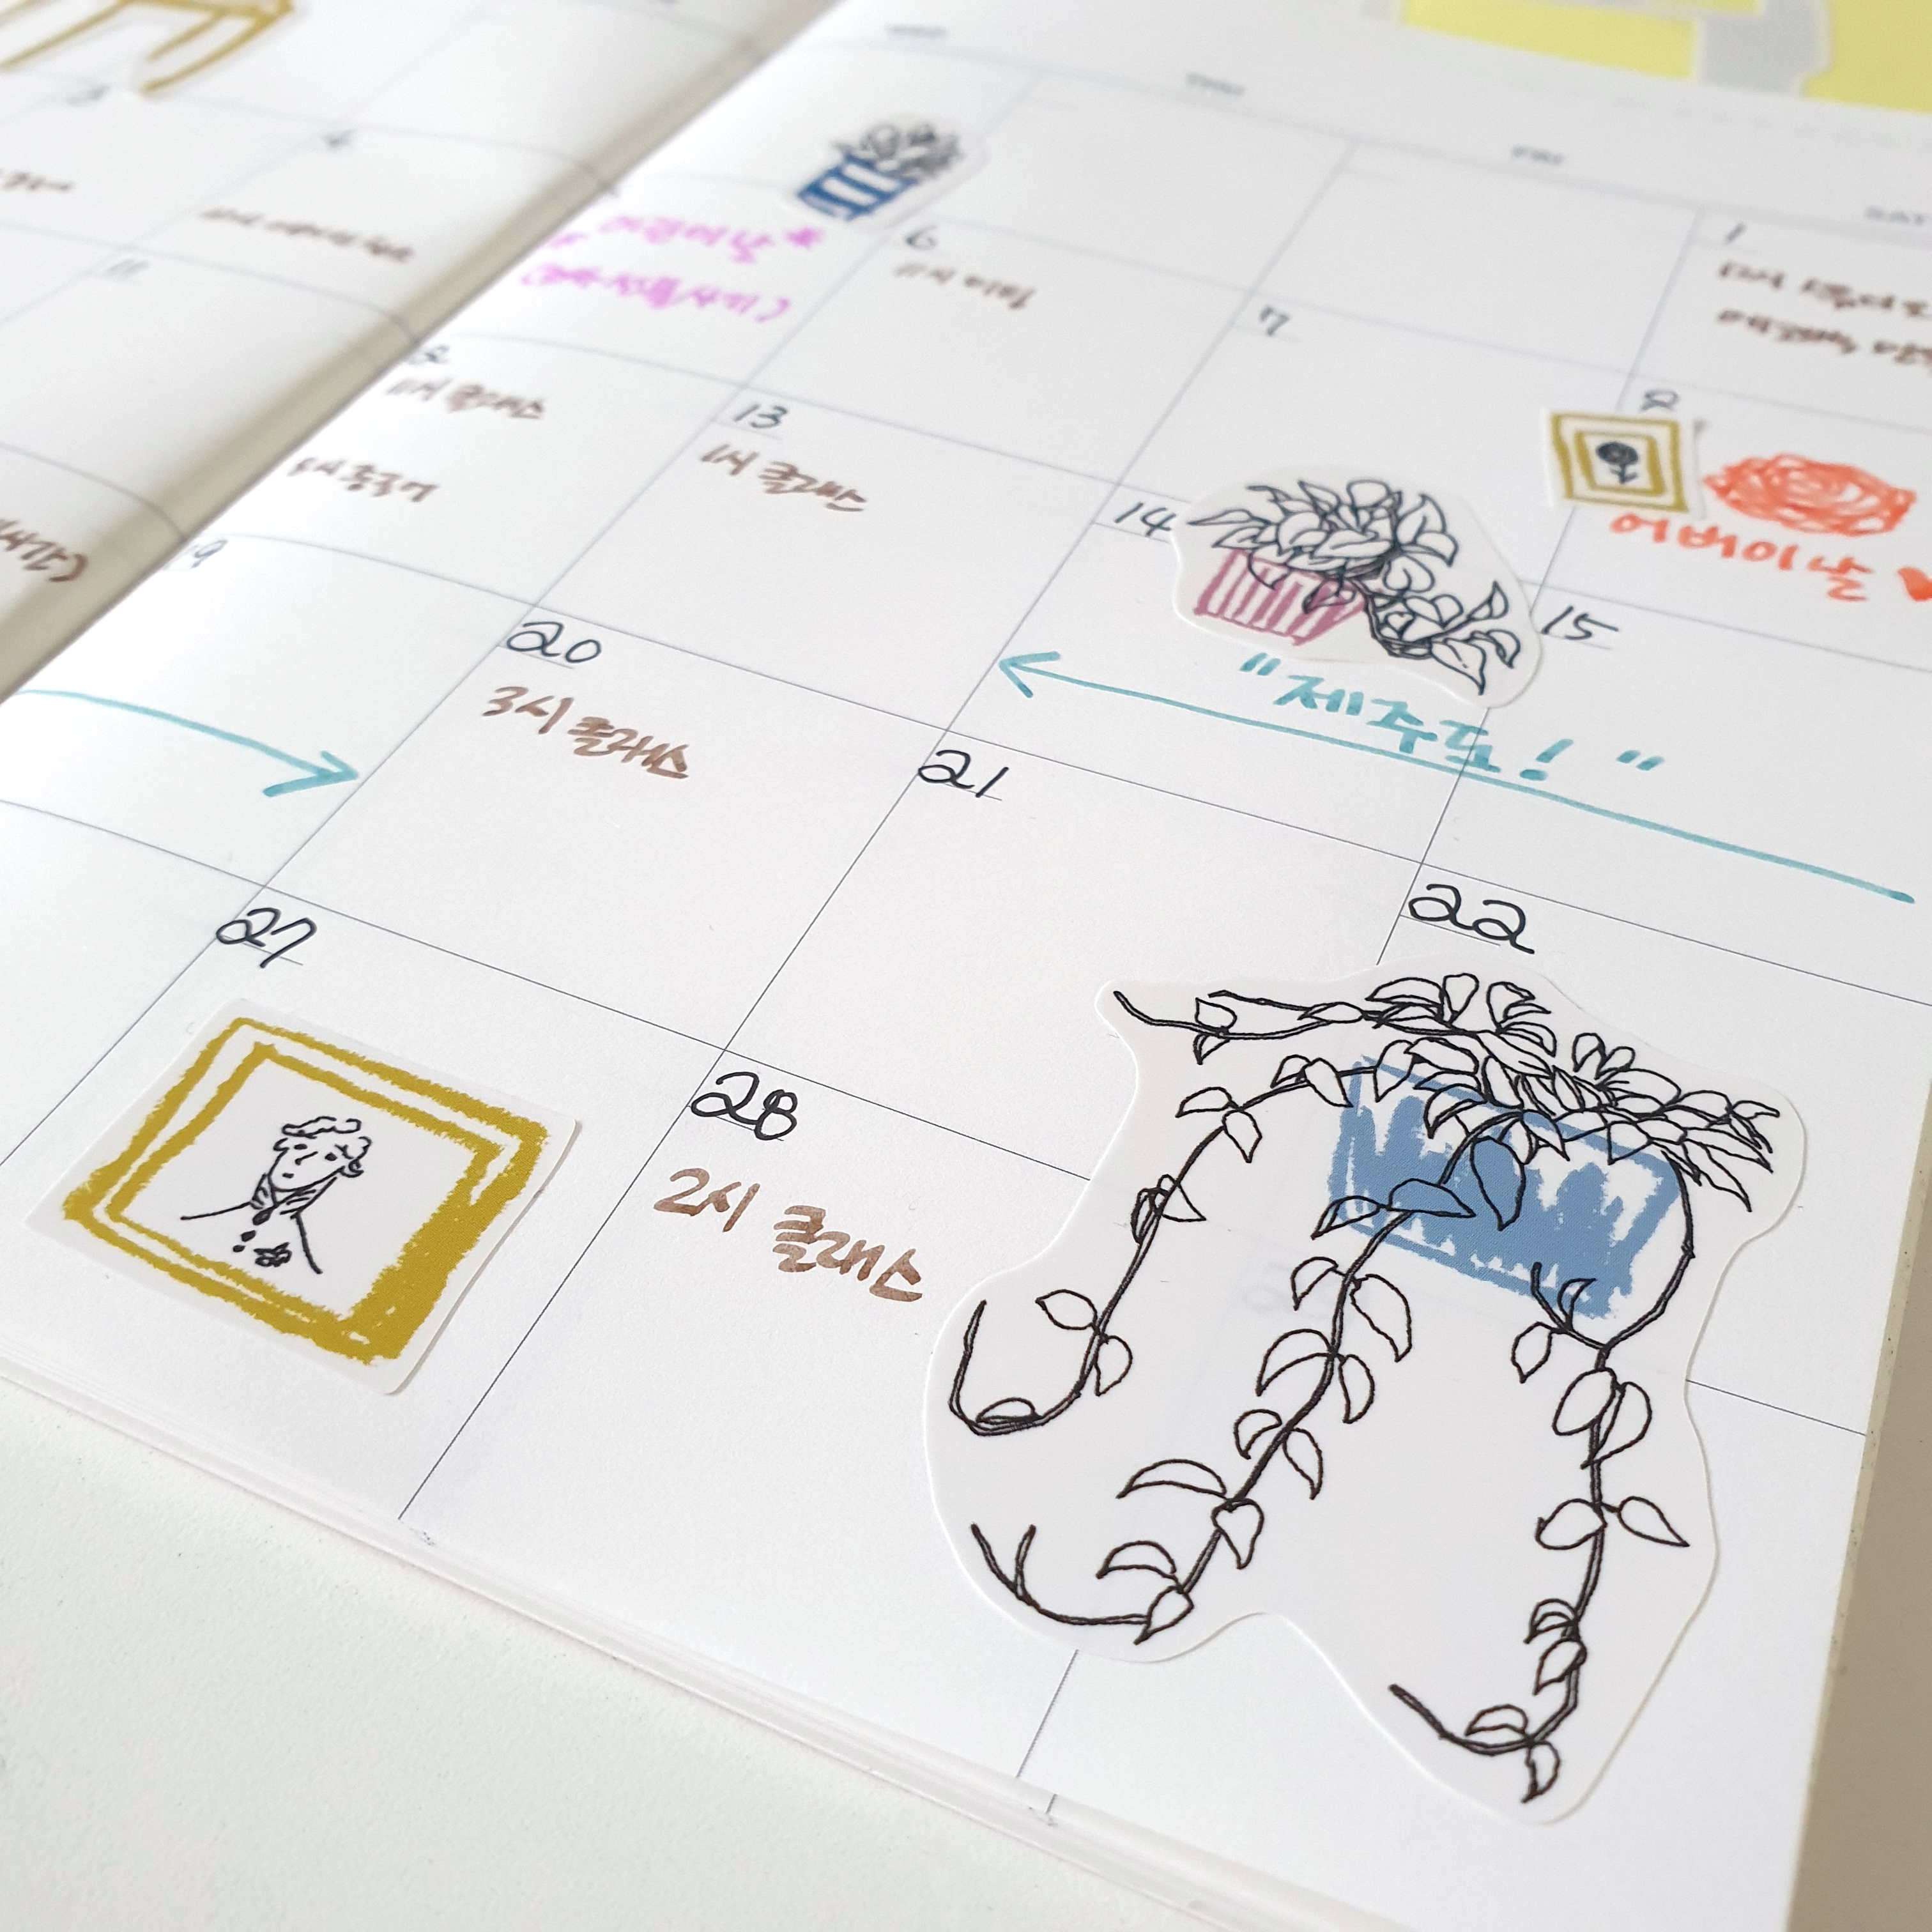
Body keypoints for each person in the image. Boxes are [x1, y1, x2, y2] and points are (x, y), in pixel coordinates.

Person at [181, 1114, 371, 1275]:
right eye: (301, 1147)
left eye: (329, 1157)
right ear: (286, 1146)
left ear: (342, 1169)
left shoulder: (301, 1259)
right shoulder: (200, 1224)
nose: (301, 1160)